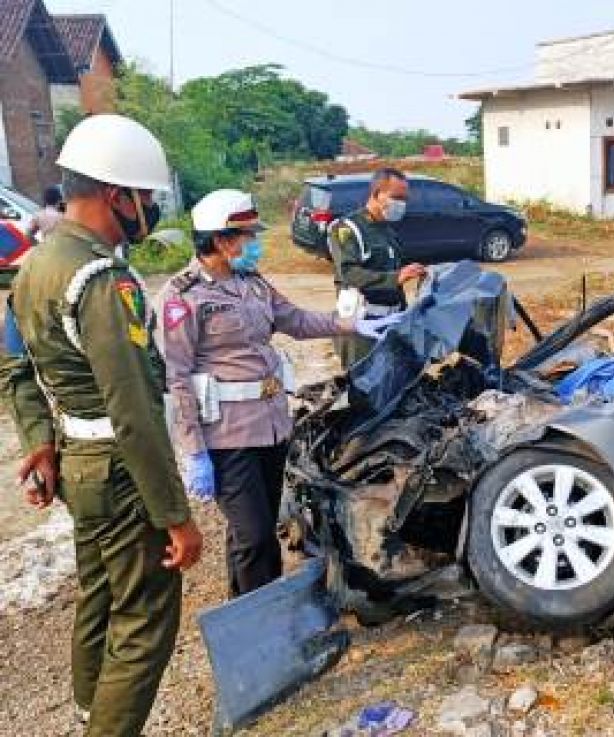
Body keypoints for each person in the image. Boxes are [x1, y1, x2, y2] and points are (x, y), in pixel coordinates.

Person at [0, 113, 203, 737]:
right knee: (144, 620)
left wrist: (39, 439)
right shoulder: (99, 278)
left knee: (98, 598)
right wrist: (176, 516)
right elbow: (135, 413)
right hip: (118, 469)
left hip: (79, 467)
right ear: (118, 197)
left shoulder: (34, 265)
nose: (147, 211)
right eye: (144, 198)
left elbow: (15, 365)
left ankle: (91, 714)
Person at [158, 189, 378, 598]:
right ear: (222, 241)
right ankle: (263, 621)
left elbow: (293, 319)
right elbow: (177, 376)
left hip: (271, 426)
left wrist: (347, 325)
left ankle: (245, 609)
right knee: (256, 535)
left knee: (252, 534)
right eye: (247, 236)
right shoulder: (181, 296)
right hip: (227, 437)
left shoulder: (252, 283)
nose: (255, 244)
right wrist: (193, 451)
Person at [329, 167, 426, 370]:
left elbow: (396, 276)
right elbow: (349, 274)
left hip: (391, 322)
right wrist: (395, 278)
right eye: (396, 197)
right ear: (376, 194)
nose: (402, 204)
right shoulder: (348, 229)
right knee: (364, 386)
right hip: (362, 326)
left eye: (405, 198)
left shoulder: (388, 231)